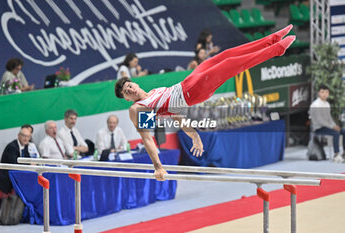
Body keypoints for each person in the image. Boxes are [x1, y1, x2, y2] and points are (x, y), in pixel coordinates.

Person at [114, 25, 295, 181]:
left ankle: (271, 40)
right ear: (127, 99)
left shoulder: (152, 94)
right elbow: (147, 138)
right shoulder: (138, 108)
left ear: (135, 83)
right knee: (232, 64)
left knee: (225, 56)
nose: (130, 89)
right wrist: (158, 166)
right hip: (192, 91)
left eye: (129, 85)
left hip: (188, 82)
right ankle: (277, 50)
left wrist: (194, 136)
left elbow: (176, 116)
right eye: (126, 92)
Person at [310, 84, 345, 163]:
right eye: (322, 92)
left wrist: (335, 125)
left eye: (326, 92)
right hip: (319, 128)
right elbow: (320, 120)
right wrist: (332, 127)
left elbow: (329, 118)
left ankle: (344, 153)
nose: (324, 94)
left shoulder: (327, 104)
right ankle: (336, 155)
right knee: (336, 133)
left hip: (327, 127)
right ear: (319, 93)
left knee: (343, 131)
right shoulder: (315, 105)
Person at [0, 128, 32, 194]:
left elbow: (27, 160)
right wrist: (30, 164)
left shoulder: (25, 146)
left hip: (16, 176)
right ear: (18, 136)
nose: (26, 139)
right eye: (24, 136)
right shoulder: (12, 147)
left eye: (28, 136)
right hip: (6, 179)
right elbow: (15, 165)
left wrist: (30, 164)